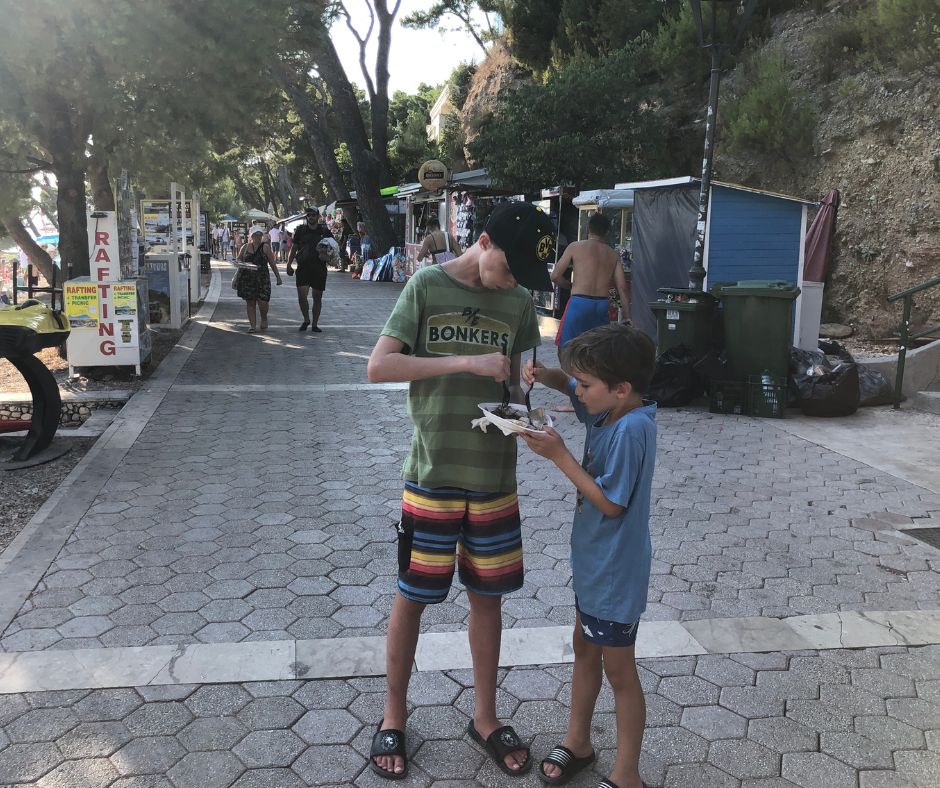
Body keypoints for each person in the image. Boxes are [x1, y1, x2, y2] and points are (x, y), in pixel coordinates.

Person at [366, 202, 556, 781]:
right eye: (512, 263)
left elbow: (511, 384)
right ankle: (394, 711)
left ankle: (486, 717)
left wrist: (527, 418)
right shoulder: (426, 285)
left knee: (487, 599)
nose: (517, 278)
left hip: (494, 478)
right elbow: (380, 367)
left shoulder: (520, 302)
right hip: (433, 473)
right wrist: (464, 360)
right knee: (413, 595)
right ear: (485, 238)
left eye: (528, 272)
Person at [519, 323, 656, 788]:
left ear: (620, 389)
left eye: (585, 384)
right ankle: (579, 741)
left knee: (620, 671)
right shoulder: (612, 410)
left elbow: (612, 503)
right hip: (596, 565)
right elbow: (576, 391)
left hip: (616, 573)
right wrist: (551, 376)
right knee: (584, 647)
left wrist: (560, 457)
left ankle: (627, 775)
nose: (578, 392)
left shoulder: (632, 429)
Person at [551, 213, 631, 349]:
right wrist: (627, 317)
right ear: (606, 232)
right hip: (601, 305)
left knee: (567, 349)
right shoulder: (613, 254)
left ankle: (567, 371)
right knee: (597, 350)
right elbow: (622, 288)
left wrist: (570, 286)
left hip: (579, 303)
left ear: (588, 229)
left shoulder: (574, 247)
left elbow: (555, 276)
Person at [286, 207, 332, 331]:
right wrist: (289, 264)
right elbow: (294, 248)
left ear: (318, 216)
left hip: (319, 268)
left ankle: (315, 324)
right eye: (308, 215)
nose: (310, 217)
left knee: (317, 297)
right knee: (302, 297)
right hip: (303, 268)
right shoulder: (300, 230)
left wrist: (327, 257)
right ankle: (306, 319)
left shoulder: (324, 231)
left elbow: (333, 249)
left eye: (313, 215)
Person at [235, 225, 282, 332]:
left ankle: (264, 318)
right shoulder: (245, 247)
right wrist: (242, 263)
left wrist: (278, 277)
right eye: (255, 234)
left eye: (260, 234)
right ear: (251, 235)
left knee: (263, 302)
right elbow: (238, 260)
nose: (258, 236)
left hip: (262, 279)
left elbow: (272, 263)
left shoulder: (265, 247)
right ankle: (252, 326)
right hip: (248, 279)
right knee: (250, 302)